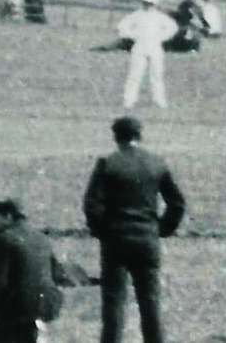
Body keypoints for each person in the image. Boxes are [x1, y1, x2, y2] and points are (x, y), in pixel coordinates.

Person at [82, 116, 187, 343]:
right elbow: (177, 203)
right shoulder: (157, 164)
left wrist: (103, 231)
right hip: (147, 238)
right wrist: (161, 229)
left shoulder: (108, 164)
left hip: (116, 239)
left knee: (114, 306)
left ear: (116, 137)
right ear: (139, 135)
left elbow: (91, 204)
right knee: (150, 304)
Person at [0, 199, 65, 343]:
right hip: (46, 306)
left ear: (7, 215)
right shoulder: (42, 238)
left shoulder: (6, 239)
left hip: (18, 310)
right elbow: (56, 272)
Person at [117, 0, 176, 109]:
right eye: (145, 2)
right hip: (140, 47)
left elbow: (172, 28)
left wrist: (161, 37)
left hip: (155, 48)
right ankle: (129, 100)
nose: (147, 5)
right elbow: (122, 27)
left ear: (154, 4)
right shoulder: (136, 15)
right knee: (135, 75)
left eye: (150, 3)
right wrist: (132, 35)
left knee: (157, 75)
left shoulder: (159, 17)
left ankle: (159, 100)